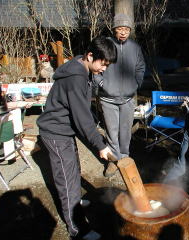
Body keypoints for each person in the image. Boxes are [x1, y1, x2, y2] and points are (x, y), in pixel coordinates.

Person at [37, 37, 117, 240]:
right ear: (90, 56)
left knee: (73, 169)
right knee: (67, 178)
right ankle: (77, 228)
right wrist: (100, 145)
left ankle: (74, 202)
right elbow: (82, 118)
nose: (104, 69)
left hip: (64, 130)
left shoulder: (80, 67)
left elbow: (81, 113)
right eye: (103, 64)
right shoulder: (76, 78)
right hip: (56, 133)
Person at [94, 13, 146, 177]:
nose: (123, 32)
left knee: (125, 131)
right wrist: (102, 84)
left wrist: (136, 84)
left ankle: (125, 158)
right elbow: (95, 68)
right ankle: (113, 161)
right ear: (114, 29)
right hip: (108, 99)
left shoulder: (135, 48)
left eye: (126, 29)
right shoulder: (105, 45)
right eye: (119, 29)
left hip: (128, 99)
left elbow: (140, 68)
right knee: (111, 131)